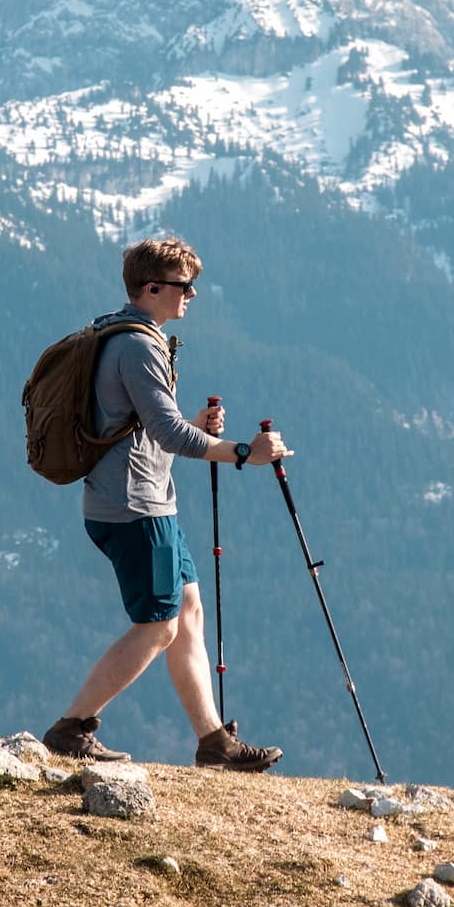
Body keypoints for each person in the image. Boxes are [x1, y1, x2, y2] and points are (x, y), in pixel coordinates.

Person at [43, 236, 293, 771]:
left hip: (141, 500)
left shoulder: (121, 333)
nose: (192, 294)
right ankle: (71, 727)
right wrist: (244, 453)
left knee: (187, 611)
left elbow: (147, 427)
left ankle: (214, 742)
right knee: (158, 625)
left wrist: (194, 427)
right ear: (152, 288)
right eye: (184, 285)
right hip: (135, 508)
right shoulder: (138, 346)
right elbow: (168, 433)